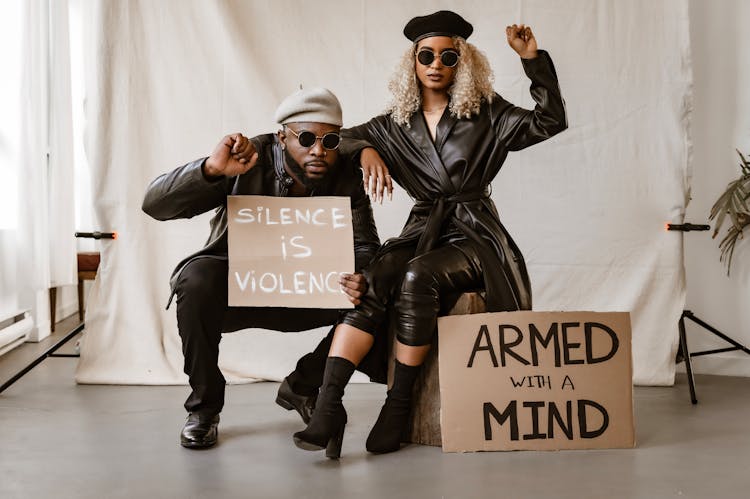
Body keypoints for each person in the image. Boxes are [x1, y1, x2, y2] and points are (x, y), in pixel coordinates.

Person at [292, 11, 567, 458]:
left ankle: (397, 407)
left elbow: (549, 120)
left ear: (463, 62)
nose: (436, 64)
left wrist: (532, 60)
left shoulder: (488, 113)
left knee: (418, 277)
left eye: (447, 56)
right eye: (426, 55)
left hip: (475, 234)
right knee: (378, 274)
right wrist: (364, 151)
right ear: (413, 63)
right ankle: (327, 404)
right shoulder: (394, 124)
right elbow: (336, 139)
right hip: (423, 229)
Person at [142, 87, 387, 449]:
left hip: (309, 290)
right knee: (196, 279)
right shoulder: (247, 159)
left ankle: (303, 385)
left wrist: (362, 275)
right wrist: (210, 170)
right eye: (305, 139)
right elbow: (154, 205)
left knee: (381, 293)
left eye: (330, 141)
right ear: (281, 137)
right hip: (242, 290)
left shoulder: (345, 174)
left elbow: (366, 245)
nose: (318, 150)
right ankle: (204, 410)